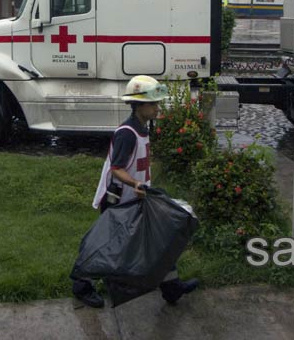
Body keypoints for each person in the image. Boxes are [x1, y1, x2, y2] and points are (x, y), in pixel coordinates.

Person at [72, 75, 199, 308]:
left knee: (157, 239)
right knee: (106, 245)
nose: (157, 108)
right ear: (139, 105)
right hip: (118, 198)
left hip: (138, 197)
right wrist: (136, 184)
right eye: (153, 104)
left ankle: (171, 288)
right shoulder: (127, 133)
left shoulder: (142, 128)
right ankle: (81, 285)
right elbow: (116, 169)